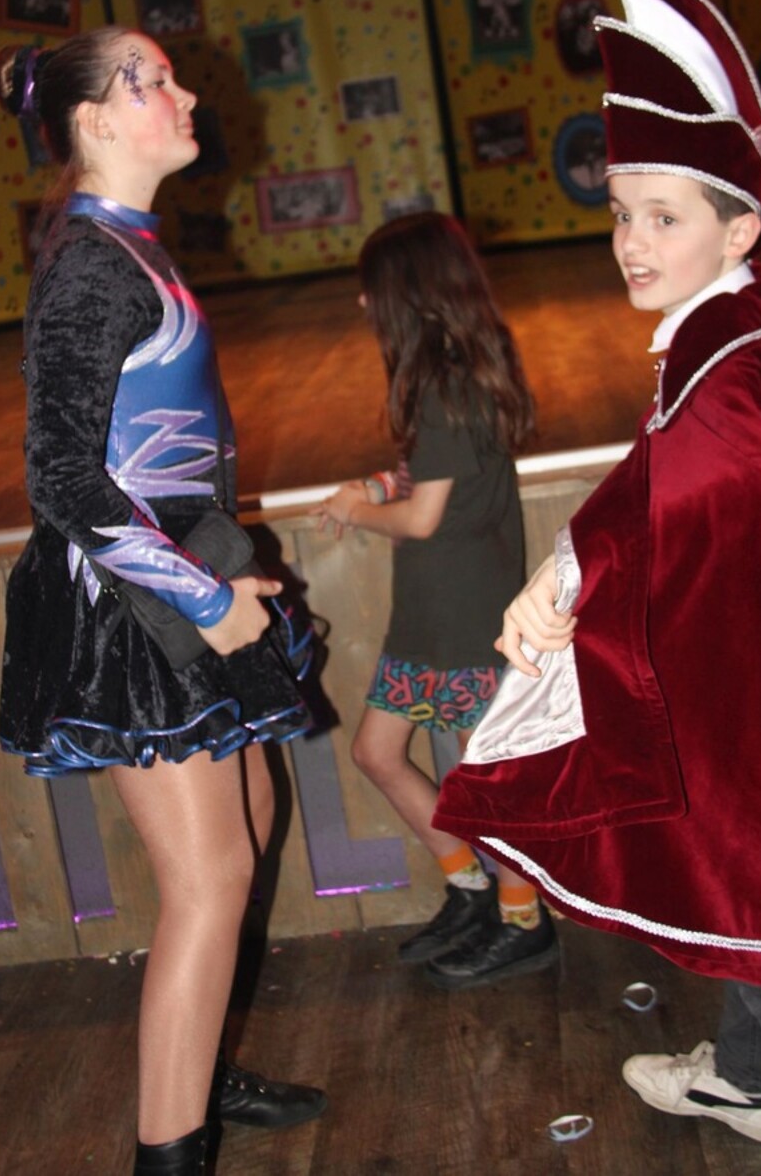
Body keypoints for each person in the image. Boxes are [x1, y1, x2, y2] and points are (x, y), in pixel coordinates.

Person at [434, 0, 761, 1173]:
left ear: (739, 227)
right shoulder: (747, 321)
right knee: (756, 902)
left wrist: (578, 587)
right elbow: (666, 468)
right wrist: (570, 560)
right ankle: (740, 1083)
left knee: (750, 917)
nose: (630, 243)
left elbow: (709, 490)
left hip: (743, 702)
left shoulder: (726, 372)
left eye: (663, 218)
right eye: (622, 213)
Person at [0, 27, 326, 1176]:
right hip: (133, 601)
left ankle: (199, 1063)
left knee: (252, 830)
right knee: (211, 878)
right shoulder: (90, 266)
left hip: (181, 574)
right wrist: (201, 596)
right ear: (94, 121)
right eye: (153, 81)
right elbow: (61, 478)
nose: (185, 93)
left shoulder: (127, 246)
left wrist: (215, 577)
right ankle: (169, 1151)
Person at [316, 212, 558, 989]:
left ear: (408, 295)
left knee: (477, 779)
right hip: (432, 606)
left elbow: (422, 518)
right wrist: (377, 481)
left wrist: (359, 509)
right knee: (377, 752)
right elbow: (438, 478)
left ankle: (522, 922)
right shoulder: (452, 376)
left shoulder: (446, 386)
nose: (364, 304)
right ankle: (471, 888)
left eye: (372, 290)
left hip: (461, 612)